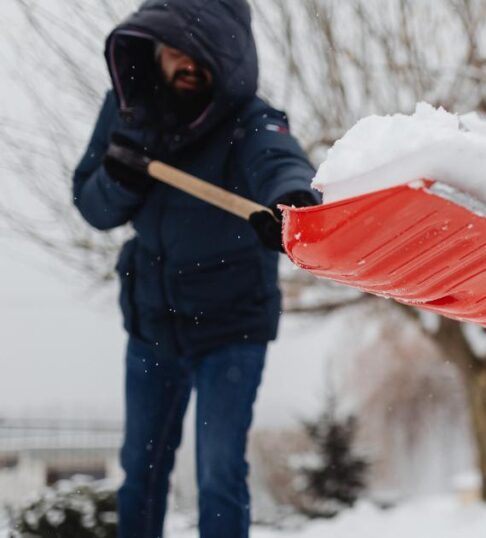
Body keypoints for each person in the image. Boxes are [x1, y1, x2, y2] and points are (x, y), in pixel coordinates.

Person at [71, 1, 319, 536]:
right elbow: (91, 206)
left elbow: (280, 161)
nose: (186, 61)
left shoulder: (250, 118)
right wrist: (121, 180)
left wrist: (292, 203)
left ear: (226, 55)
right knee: (142, 471)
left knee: (219, 473)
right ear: (155, 49)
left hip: (231, 328)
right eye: (175, 48)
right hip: (152, 322)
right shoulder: (127, 111)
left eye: (200, 50)